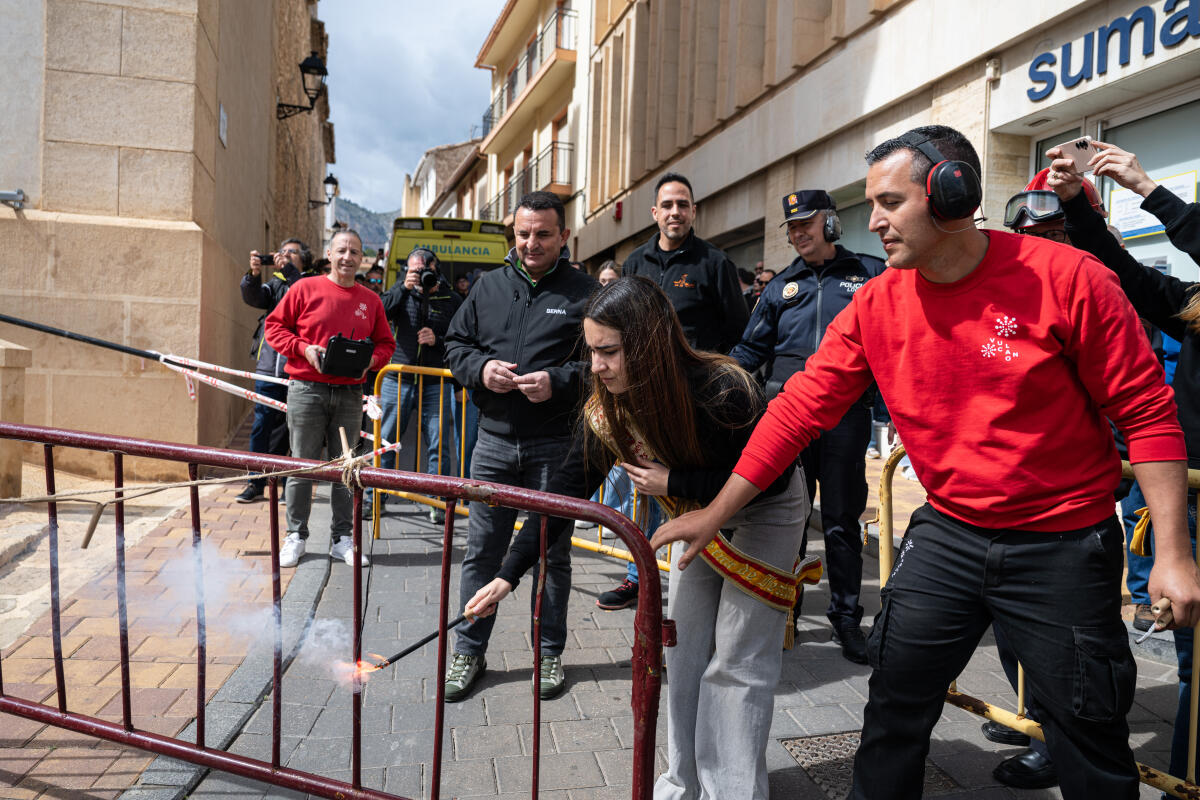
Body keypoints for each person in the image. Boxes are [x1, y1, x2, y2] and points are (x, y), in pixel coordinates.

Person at [652, 124, 1200, 800]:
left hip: (1063, 545)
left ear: (952, 195)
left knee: (1089, 739)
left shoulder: (1072, 281)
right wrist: (716, 512)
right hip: (948, 534)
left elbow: (1147, 413)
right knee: (893, 711)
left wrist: (1172, 553)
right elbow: (797, 412)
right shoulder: (875, 303)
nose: (872, 221)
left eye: (888, 202)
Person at [463, 276, 810, 800]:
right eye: (592, 350)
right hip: (693, 515)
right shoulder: (609, 403)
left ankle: (735, 791)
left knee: (739, 661)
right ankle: (682, 783)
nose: (596, 366)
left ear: (648, 343)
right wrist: (507, 577)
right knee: (686, 651)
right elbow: (566, 493)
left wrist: (678, 484)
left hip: (763, 511)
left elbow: (773, 475)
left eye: (609, 351)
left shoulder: (724, 387)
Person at [1047, 139, 1200, 789]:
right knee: (1196, 662)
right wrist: (1077, 204)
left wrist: (1145, 186)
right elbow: (1121, 272)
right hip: (1190, 499)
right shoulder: (1192, 303)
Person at [443, 191, 596, 702]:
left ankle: (548, 653)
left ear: (563, 237)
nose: (531, 243)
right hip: (492, 445)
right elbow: (454, 346)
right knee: (481, 553)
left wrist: (558, 379)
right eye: (523, 233)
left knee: (552, 556)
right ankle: (469, 649)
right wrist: (481, 370)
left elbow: (601, 366)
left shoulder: (585, 293)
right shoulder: (488, 286)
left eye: (543, 234)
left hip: (556, 447)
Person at [730, 189, 886, 664]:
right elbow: (750, 351)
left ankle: (845, 617)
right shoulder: (780, 287)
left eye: (807, 224)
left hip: (845, 417)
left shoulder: (871, 273)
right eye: (793, 227)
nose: (799, 234)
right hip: (788, 418)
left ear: (831, 224)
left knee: (841, 520)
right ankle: (786, 608)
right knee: (789, 518)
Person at [264, 229, 395, 569]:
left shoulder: (371, 300)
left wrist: (370, 361)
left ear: (361, 257)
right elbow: (274, 328)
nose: (347, 257)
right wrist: (303, 349)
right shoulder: (304, 288)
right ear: (329, 254)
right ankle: (296, 535)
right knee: (302, 463)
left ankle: (342, 538)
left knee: (346, 466)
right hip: (306, 388)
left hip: (351, 392)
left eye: (354, 251)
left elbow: (386, 344)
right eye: (341, 250)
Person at [366, 248, 463, 522]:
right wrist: (402, 286)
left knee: (438, 445)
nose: (421, 274)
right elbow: (380, 313)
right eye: (414, 269)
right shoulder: (401, 292)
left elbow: (463, 337)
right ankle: (376, 497)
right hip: (398, 379)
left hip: (436, 381)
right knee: (385, 442)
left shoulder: (451, 299)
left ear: (436, 267)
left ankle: (437, 502)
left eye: (424, 269)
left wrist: (438, 338)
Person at [622, 172, 749, 353]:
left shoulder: (716, 263)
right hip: (645, 375)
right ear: (655, 213)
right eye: (666, 205)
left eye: (682, 205)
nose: (675, 212)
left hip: (698, 377)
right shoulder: (633, 263)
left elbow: (738, 330)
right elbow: (625, 324)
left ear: (693, 211)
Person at [237, 239, 313, 503]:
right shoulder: (276, 283)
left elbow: (306, 297)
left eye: (291, 253)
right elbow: (254, 298)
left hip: (296, 370)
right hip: (269, 367)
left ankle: (285, 483)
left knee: (292, 429)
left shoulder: (310, 282)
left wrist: (291, 272)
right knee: (261, 425)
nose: (284, 256)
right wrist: (254, 275)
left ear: (303, 259)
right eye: (282, 252)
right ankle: (255, 483)